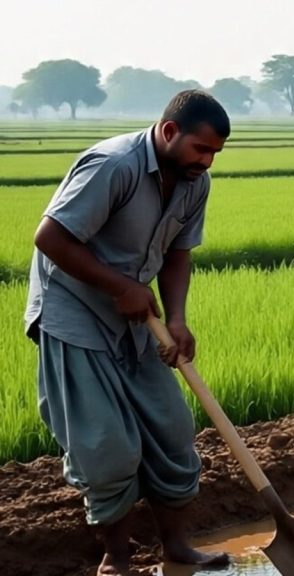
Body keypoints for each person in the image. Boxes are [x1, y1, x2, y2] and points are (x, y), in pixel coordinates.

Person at [25, 90, 232, 575]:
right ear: (167, 132)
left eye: (215, 154)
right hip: (74, 315)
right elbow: (50, 237)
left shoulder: (193, 183)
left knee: (174, 434)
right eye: (200, 149)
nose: (206, 161)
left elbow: (179, 253)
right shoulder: (112, 165)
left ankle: (177, 548)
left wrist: (176, 319)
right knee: (107, 448)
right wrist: (120, 285)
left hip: (138, 318)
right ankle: (116, 560)